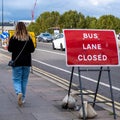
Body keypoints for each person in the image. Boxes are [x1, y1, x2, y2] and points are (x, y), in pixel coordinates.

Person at [8, 22, 35, 106]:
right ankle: (22, 98)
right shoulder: (28, 38)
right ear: (24, 28)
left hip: (17, 62)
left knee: (16, 79)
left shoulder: (13, 38)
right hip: (26, 62)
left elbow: (10, 49)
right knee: (24, 80)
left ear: (17, 28)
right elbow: (32, 50)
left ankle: (19, 92)